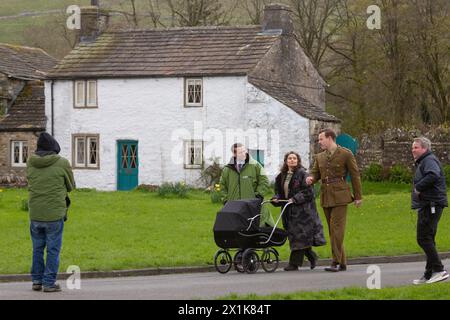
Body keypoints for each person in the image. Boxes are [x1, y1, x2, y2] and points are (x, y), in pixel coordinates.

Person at [306, 129, 362, 272]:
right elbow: (315, 172)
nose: (319, 142)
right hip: (326, 196)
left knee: (337, 229)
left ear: (330, 138)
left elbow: (355, 176)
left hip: (340, 196)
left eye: (321, 139)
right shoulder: (319, 157)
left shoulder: (345, 154)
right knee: (333, 230)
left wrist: (358, 196)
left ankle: (335, 262)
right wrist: (311, 178)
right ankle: (342, 263)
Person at [27, 132, 75, 292]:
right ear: (54, 148)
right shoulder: (62, 163)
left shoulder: (30, 162)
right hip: (54, 215)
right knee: (53, 249)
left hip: (35, 213)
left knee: (37, 248)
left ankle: (36, 281)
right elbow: (71, 186)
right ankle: (48, 283)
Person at [272, 151, 326, 271]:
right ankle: (312, 256)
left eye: (294, 158)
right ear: (286, 161)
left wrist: (295, 199)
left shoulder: (303, 174)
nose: (292, 160)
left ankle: (294, 264)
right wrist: (276, 198)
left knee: (298, 236)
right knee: (296, 236)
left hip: (303, 211)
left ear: (298, 161)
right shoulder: (281, 176)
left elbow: (309, 192)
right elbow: (278, 192)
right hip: (288, 210)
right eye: (290, 158)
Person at [411, 137, 448, 285]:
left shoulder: (429, 161)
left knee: (423, 238)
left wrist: (418, 187)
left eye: (416, 147)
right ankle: (429, 274)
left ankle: (439, 270)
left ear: (424, 148)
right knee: (429, 238)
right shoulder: (425, 161)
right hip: (428, 204)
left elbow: (433, 175)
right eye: (412, 147)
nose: (413, 150)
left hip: (431, 204)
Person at [219, 143, 275, 227]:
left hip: (252, 205)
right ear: (234, 154)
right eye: (240, 152)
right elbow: (222, 186)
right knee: (237, 231)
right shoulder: (227, 169)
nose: (244, 153)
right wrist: (226, 200)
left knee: (254, 229)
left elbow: (264, 181)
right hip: (235, 207)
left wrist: (259, 195)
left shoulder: (256, 165)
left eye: (244, 151)